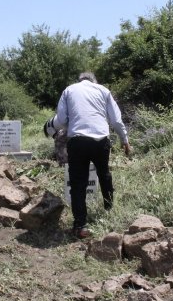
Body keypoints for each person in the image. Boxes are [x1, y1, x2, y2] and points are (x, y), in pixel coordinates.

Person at [48, 72, 131, 238]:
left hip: (77, 141)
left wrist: (51, 126)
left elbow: (62, 119)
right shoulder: (103, 90)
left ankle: (80, 226)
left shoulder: (69, 90)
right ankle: (108, 209)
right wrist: (125, 140)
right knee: (104, 173)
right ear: (94, 81)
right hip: (100, 140)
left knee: (78, 183)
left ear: (79, 80)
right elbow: (115, 120)